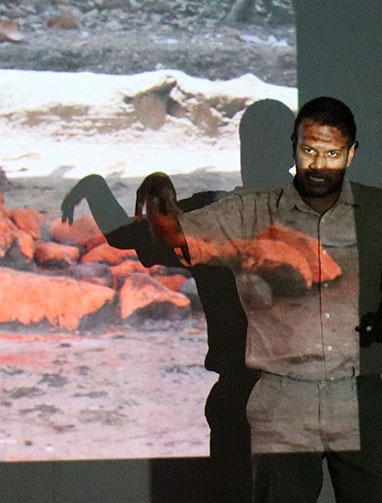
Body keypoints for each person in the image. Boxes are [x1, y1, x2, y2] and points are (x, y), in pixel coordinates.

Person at [134, 96, 382, 502]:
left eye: (332, 154)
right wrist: (159, 191)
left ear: (352, 154)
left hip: (361, 395)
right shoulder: (250, 211)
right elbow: (172, 233)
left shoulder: (379, 209)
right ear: (294, 147)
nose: (319, 166)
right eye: (309, 151)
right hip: (284, 398)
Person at [62, 99, 295, 502]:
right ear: (291, 155)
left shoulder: (208, 213)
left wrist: (93, 185)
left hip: (237, 396)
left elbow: (123, 234)